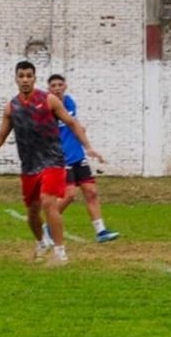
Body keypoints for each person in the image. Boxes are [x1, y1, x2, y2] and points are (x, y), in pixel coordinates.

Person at [0, 61, 103, 266]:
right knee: (32, 213)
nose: (25, 80)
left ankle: (60, 253)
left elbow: (72, 123)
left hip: (53, 161)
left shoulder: (49, 100)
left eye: (29, 76)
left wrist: (88, 146)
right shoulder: (11, 107)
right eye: (21, 76)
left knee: (49, 203)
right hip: (29, 166)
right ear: (15, 78)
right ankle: (41, 242)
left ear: (34, 78)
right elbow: (0, 136)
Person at [45, 74, 120, 243]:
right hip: (61, 157)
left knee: (91, 192)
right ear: (49, 89)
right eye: (53, 85)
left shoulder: (70, 102)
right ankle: (49, 226)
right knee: (69, 194)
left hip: (77, 155)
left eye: (60, 84)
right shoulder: (47, 108)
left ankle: (101, 231)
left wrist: (89, 147)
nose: (57, 88)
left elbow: (73, 125)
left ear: (65, 86)